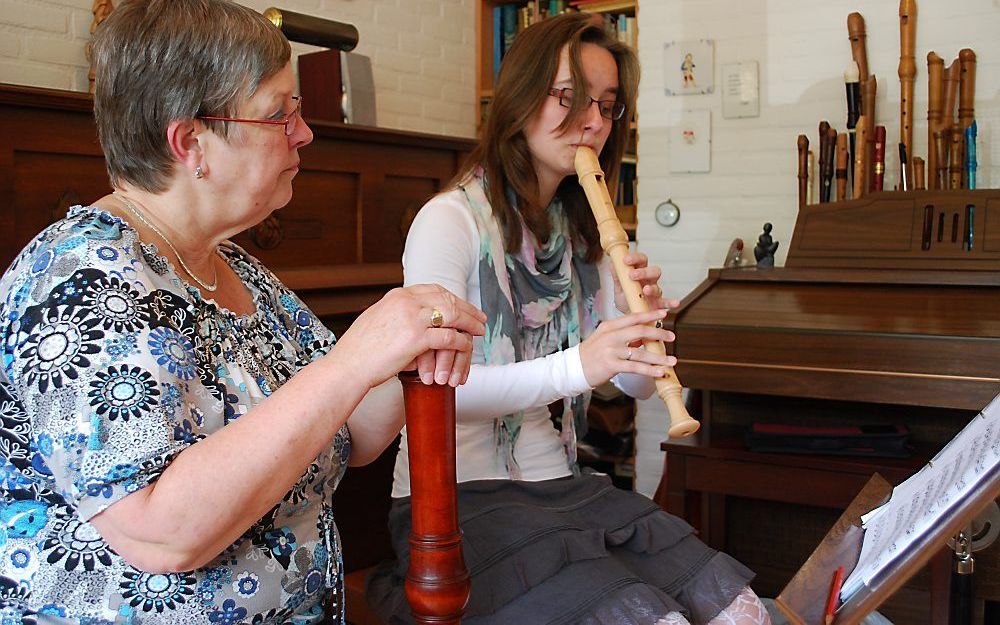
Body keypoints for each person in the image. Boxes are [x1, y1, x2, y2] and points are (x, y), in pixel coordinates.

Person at [0, 1, 485, 623]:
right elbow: (162, 532)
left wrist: (402, 354)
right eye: (280, 113)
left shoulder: (230, 265)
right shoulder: (79, 280)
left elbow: (351, 432)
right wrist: (353, 358)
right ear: (189, 141)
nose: (304, 132)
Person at [369, 12, 771, 625]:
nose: (592, 123)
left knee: (741, 613)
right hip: (455, 502)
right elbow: (436, 389)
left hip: (559, 486)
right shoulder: (449, 221)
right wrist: (582, 364)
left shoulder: (581, 228)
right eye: (570, 99)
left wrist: (642, 332)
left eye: (607, 107)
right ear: (520, 98)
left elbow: (633, 386)